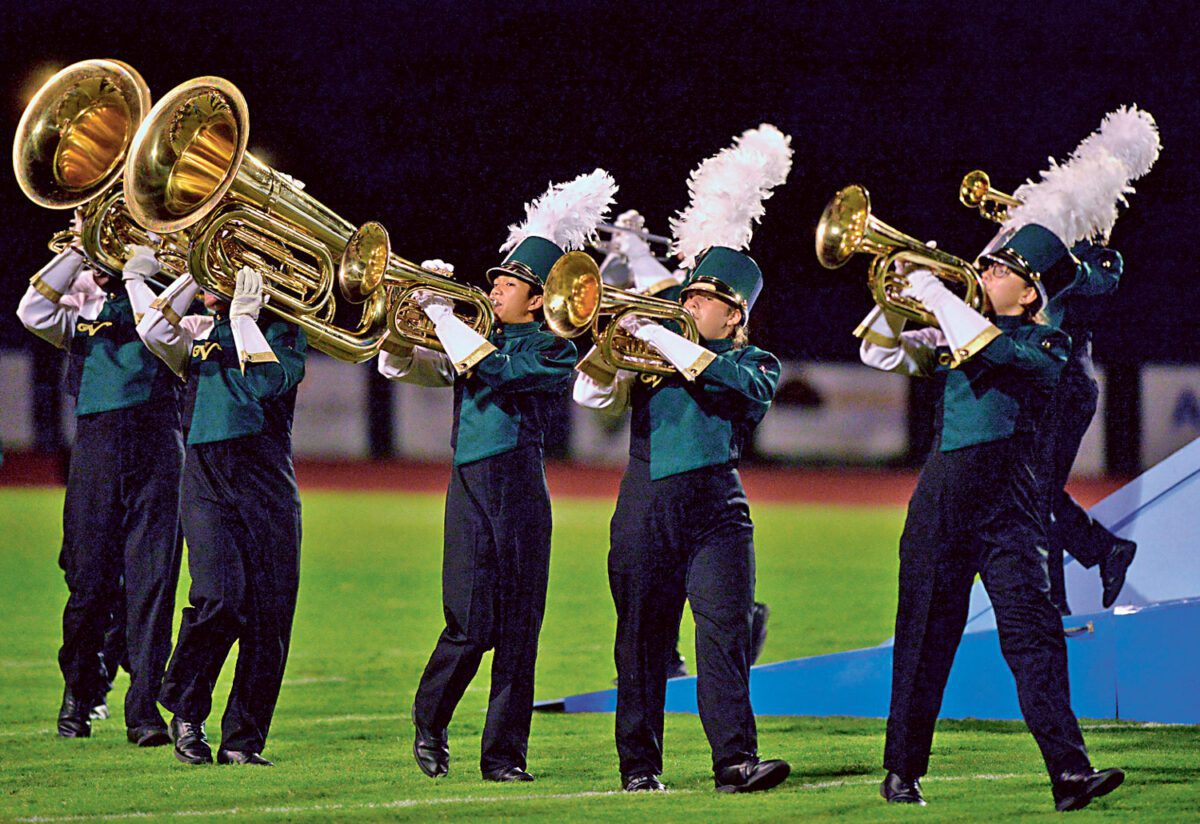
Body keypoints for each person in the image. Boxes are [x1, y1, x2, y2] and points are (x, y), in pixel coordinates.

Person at [858, 223, 1124, 812]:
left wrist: (939, 295)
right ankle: (901, 772)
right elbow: (875, 351)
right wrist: (897, 293)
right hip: (942, 506)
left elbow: (992, 348)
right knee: (924, 639)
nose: (984, 274)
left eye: (1000, 271)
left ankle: (1070, 774)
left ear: (1030, 294)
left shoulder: (1048, 344)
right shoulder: (954, 330)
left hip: (1012, 511)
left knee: (1036, 640)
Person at [574, 125, 793, 794]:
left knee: (725, 635)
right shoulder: (654, 348)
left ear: (735, 316)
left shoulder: (751, 360)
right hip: (646, 505)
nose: (688, 303)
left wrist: (668, 342)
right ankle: (639, 766)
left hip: (719, 511)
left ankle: (735, 761)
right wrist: (615, 345)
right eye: (689, 295)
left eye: (704, 300)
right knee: (641, 643)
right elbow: (589, 392)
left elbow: (738, 391)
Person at [380, 170, 611, 782]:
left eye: (510, 284)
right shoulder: (470, 334)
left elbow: (498, 370)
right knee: (469, 620)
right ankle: (429, 718)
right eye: (499, 281)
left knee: (518, 629)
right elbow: (401, 368)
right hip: (468, 483)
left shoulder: (554, 345)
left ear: (538, 299)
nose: (497, 290)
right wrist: (406, 319)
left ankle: (504, 755)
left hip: (517, 484)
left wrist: (443, 315)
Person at [16, 234, 183, 746]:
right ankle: (80, 691)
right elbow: (32, 311)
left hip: (159, 441)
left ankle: (145, 709)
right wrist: (79, 247)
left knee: (153, 583)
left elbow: (161, 334)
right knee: (87, 580)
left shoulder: (172, 297)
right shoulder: (83, 302)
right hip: (97, 447)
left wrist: (140, 272)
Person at [136, 267, 306, 766]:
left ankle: (242, 742)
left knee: (269, 616)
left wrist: (245, 321)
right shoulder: (198, 330)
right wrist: (192, 273)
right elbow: (152, 329)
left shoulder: (286, 332)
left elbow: (265, 383)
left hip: (266, 477)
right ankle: (187, 712)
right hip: (206, 474)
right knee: (219, 599)